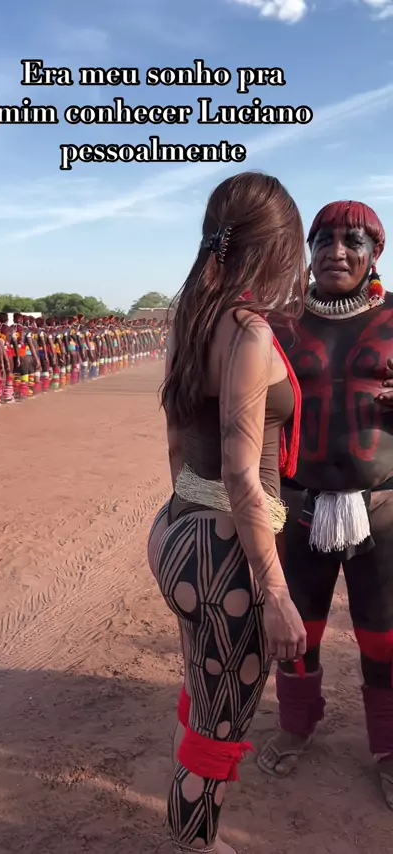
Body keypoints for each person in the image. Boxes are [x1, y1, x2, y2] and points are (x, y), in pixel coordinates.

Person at [147, 171, 308, 854]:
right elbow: (242, 475)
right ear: (276, 248)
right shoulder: (247, 332)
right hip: (226, 555)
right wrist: (276, 594)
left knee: (201, 691)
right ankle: (195, 844)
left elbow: (176, 441)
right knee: (220, 727)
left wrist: (188, 522)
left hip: (177, 530)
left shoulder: (190, 318)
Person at [256, 200, 393, 810]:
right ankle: (297, 723)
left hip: (383, 504)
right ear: (308, 252)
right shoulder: (278, 324)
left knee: (384, 636)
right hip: (299, 503)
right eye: (324, 241)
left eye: (353, 241)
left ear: (375, 254)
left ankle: (388, 745)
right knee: (298, 631)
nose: (337, 252)